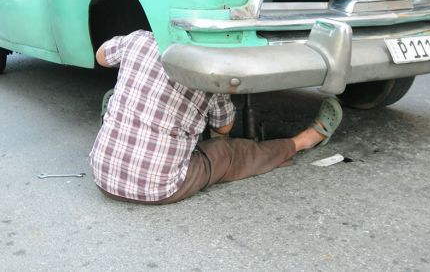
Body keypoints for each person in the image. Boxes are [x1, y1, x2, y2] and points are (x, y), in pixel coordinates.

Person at [90, 30, 343, 204]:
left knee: (122, 97)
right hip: (158, 188)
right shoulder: (210, 72)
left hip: (102, 176)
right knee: (229, 153)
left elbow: (102, 56)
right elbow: (224, 128)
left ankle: (114, 116)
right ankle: (303, 141)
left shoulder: (138, 39)